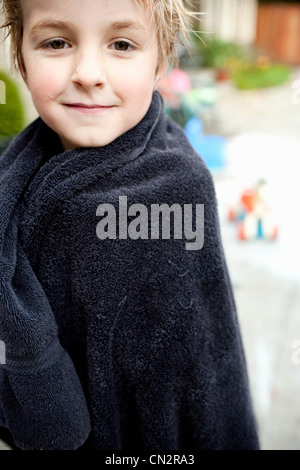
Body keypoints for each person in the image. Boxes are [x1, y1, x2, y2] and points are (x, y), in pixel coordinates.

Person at [0, 0, 260, 451]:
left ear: (160, 59)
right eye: (57, 42)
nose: (88, 72)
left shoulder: (176, 191)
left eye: (121, 44)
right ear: (21, 58)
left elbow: (200, 368)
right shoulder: (17, 170)